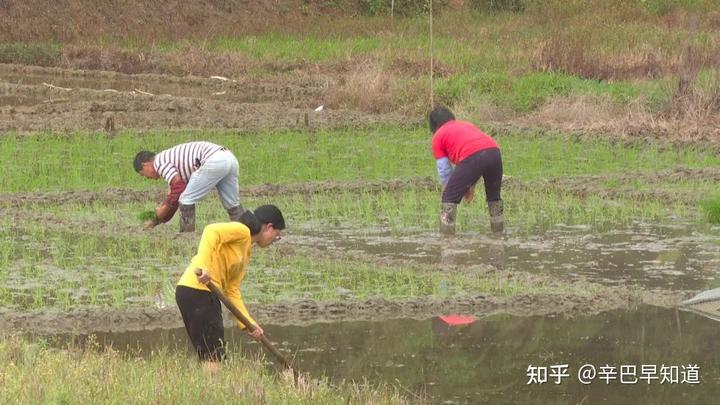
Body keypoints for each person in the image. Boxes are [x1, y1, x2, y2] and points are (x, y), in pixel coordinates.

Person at [175, 205, 286, 373]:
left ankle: (208, 392)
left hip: (195, 293)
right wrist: (204, 267)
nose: (274, 240)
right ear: (269, 227)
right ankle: (212, 395)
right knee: (214, 355)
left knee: (209, 353)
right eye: (277, 235)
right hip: (199, 290)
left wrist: (249, 324)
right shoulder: (242, 231)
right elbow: (211, 231)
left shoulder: (246, 249)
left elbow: (232, 290)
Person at [133, 141, 243, 232]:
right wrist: (158, 219)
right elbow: (174, 198)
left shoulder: (159, 162)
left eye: (143, 174)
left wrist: (160, 213)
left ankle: (187, 237)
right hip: (229, 158)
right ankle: (248, 234)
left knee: (186, 199)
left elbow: (179, 188)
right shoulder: (169, 161)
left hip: (214, 160)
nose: (147, 178)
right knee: (232, 204)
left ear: (145, 165)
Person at [429, 106, 504, 234]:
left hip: (473, 157)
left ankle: (447, 242)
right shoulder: (466, 125)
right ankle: (499, 235)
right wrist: (469, 186)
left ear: (434, 126)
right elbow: (479, 157)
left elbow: (445, 170)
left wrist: (448, 191)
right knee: (494, 198)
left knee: (449, 198)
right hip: (494, 152)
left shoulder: (438, 136)